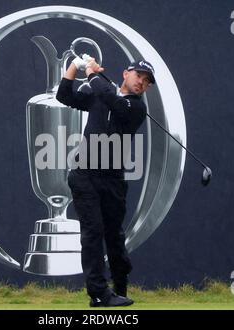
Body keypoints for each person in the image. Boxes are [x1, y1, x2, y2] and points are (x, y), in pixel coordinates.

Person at [56, 55, 155, 307]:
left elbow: (114, 102)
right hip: (84, 175)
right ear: (125, 73)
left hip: (113, 180)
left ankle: (119, 285)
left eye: (146, 81)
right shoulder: (100, 93)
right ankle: (99, 294)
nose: (141, 83)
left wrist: (92, 73)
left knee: (114, 235)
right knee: (93, 232)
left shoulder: (137, 108)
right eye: (138, 76)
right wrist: (75, 67)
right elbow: (64, 96)